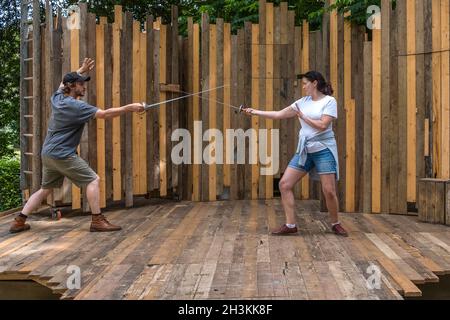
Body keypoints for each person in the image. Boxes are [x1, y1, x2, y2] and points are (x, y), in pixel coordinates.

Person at [10, 58, 145, 233]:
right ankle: (97, 220)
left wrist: (81, 70)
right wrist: (130, 108)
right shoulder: (77, 106)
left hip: (48, 153)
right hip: (62, 153)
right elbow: (104, 114)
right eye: (81, 83)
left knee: (45, 189)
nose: (84, 86)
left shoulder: (57, 98)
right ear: (72, 86)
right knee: (93, 179)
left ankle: (19, 220)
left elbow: (61, 82)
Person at [242, 70, 348, 237]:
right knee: (284, 184)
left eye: (305, 83)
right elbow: (278, 115)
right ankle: (291, 225)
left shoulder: (329, 101)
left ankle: (335, 223)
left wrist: (303, 117)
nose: (303, 86)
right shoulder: (302, 102)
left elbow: (322, 126)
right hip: (305, 150)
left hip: (324, 150)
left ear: (314, 83)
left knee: (329, 191)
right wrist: (254, 111)